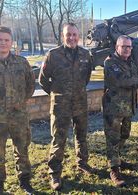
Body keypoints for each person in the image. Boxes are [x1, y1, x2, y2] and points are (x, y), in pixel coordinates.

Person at [38, 23, 93, 190]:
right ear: (63, 36)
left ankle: (82, 162)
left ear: (79, 36)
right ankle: (55, 173)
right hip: (60, 106)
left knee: (81, 136)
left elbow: (87, 77)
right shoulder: (53, 55)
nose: (72, 38)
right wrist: (57, 94)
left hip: (80, 103)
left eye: (75, 35)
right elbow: (43, 80)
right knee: (59, 140)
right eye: (68, 34)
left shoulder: (85, 54)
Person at [103, 35, 138, 187]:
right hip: (114, 109)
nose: (127, 49)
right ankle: (114, 169)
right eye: (124, 46)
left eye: (129, 47)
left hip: (128, 107)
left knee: (125, 134)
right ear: (117, 47)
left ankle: (117, 159)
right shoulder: (110, 63)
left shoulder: (131, 63)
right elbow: (121, 80)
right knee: (113, 139)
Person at [0, 26, 35, 194]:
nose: (3, 43)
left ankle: (25, 180)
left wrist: (23, 101)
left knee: (22, 149)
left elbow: (31, 84)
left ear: (11, 42)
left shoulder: (21, 62)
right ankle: (0, 184)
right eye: (0, 40)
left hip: (18, 116)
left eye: (6, 40)